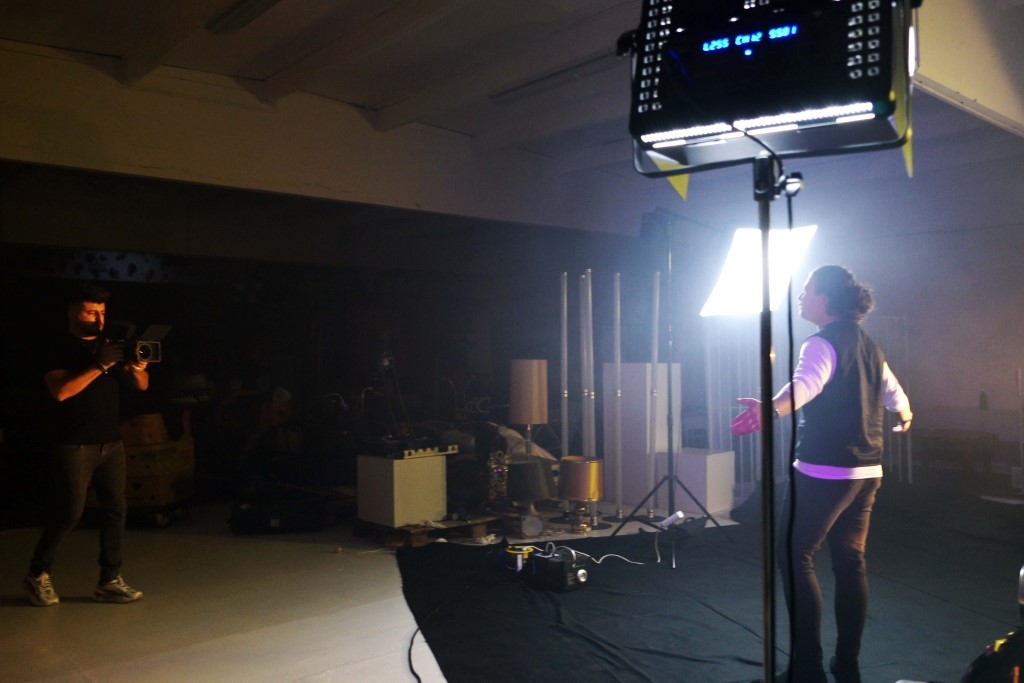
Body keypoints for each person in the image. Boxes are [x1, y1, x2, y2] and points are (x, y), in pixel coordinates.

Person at [731, 265, 912, 683]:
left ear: (826, 298)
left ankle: (807, 670)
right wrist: (905, 414)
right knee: (851, 562)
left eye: (807, 290)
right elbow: (894, 394)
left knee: (795, 557)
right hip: (867, 473)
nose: (800, 297)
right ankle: (846, 665)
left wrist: (770, 409)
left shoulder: (820, 343)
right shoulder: (870, 346)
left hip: (825, 473)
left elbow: (806, 385)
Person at [24, 281, 149, 606]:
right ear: (72, 312)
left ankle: (110, 579)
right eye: (91, 312)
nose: (98, 319)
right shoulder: (56, 347)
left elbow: (142, 386)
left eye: (102, 312)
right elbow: (61, 391)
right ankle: (38, 573)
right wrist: (101, 364)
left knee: (116, 511)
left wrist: (137, 368)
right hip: (73, 443)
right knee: (69, 512)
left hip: (111, 442)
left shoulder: (111, 345)